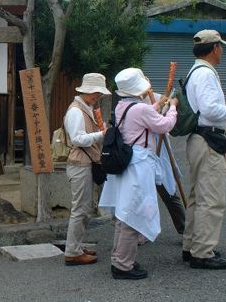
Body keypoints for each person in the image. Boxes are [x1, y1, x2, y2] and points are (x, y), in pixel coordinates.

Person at [99, 68, 178, 280]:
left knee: (124, 213)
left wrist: (157, 105)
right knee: (133, 216)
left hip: (127, 163)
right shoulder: (139, 109)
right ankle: (123, 266)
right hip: (139, 165)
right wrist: (172, 108)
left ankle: (120, 260)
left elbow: (140, 117)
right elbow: (164, 125)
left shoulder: (122, 106)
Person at [182, 29, 226, 270]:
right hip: (208, 142)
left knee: (198, 197)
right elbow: (209, 108)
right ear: (214, 48)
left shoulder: (195, 71)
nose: (223, 51)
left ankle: (192, 245)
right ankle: (203, 252)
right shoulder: (205, 74)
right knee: (211, 199)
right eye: (221, 46)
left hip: (201, 138)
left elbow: (203, 110)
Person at [62, 73, 111, 266]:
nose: (98, 97)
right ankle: (72, 251)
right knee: (80, 210)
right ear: (89, 91)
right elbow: (77, 139)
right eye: (97, 93)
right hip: (80, 164)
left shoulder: (85, 108)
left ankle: (76, 247)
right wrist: (101, 134)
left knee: (83, 209)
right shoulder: (76, 111)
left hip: (84, 163)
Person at [145, 91, 186, 235]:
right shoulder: (130, 104)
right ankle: (139, 231)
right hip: (141, 154)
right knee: (141, 196)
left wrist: (168, 106)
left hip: (158, 149)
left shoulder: (156, 98)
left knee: (168, 189)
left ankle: (184, 228)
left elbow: (166, 119)